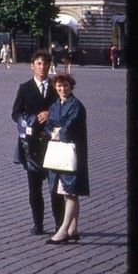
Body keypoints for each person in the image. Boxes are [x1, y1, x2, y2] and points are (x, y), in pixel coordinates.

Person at [11, 50, 64, 236]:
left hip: (52, 144)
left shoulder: (55, 87)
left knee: (55, 188)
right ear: (32, 66)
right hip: (32, 146)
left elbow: (63, 107)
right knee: (34, 189)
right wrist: (30, 119)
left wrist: (50, 114)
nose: (42, 68)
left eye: (45, 64)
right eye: (39, 64)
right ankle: (38, 224)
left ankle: (59, 225)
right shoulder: (24, 88)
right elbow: (15, 113)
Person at [45, 72, 89, 244]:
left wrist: (57, 132)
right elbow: (49, 125)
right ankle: (73, 229)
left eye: (65, 86)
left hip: (72, 152)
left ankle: (63, 230)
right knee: (68, 191)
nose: (62, 89)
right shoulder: (55, 104)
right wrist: (53, 132)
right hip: (59, 152)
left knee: (70, 190)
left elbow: (69, 127)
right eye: (59, 86)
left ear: (71, 87)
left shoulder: (76, 105)